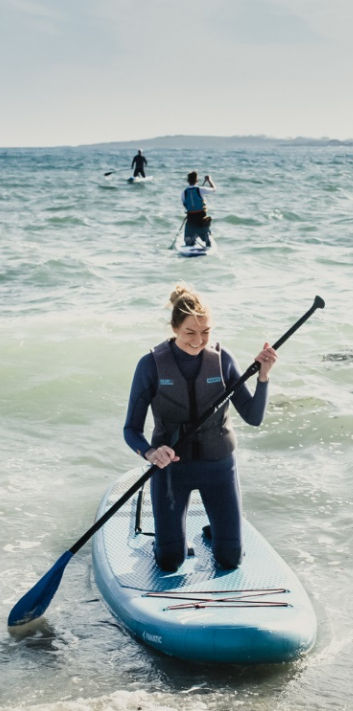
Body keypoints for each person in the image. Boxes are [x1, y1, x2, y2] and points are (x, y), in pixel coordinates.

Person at [123, 285, 278, 572]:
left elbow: (253, 417)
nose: (198, 341)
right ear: (174, 328)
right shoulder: (150, 365)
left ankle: (215, 532)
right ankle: (165, 541)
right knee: (171, 561)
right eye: (189, 333)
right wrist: (150, 453)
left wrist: (264, 377)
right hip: (171, 471)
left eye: (205, 332)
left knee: (230, 559)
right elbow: (131, 429)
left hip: (219, 468)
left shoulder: (222, 361)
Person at [181, 171, 217, 248]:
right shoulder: (200, 189)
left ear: (188, 181)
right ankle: (205, 238)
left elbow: (185, 204)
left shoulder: (184, 192)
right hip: (201, 218)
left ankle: (191, 239)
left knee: (188, 240)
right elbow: (214, 189)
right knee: (205, 234)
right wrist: (209, 180)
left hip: (190, 218)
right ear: (197, 180)